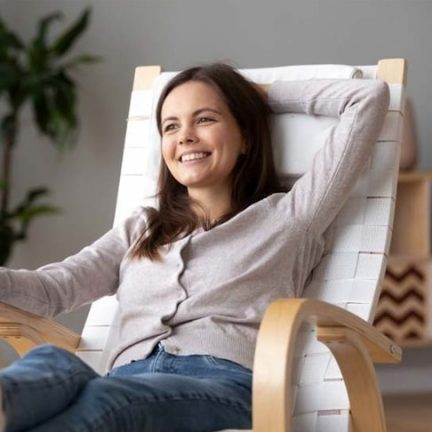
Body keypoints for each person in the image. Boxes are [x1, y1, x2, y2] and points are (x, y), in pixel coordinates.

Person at [0, 63, 390, 432]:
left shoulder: (291, 215)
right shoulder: (143, 226)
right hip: (123, 383)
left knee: (104, 399)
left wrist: (257, 96)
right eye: (171, 126)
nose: (185, 135)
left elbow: (367, 99)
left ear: (246, 137)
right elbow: (52, 290)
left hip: (224, 389)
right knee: (49, 362)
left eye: (205, 119)